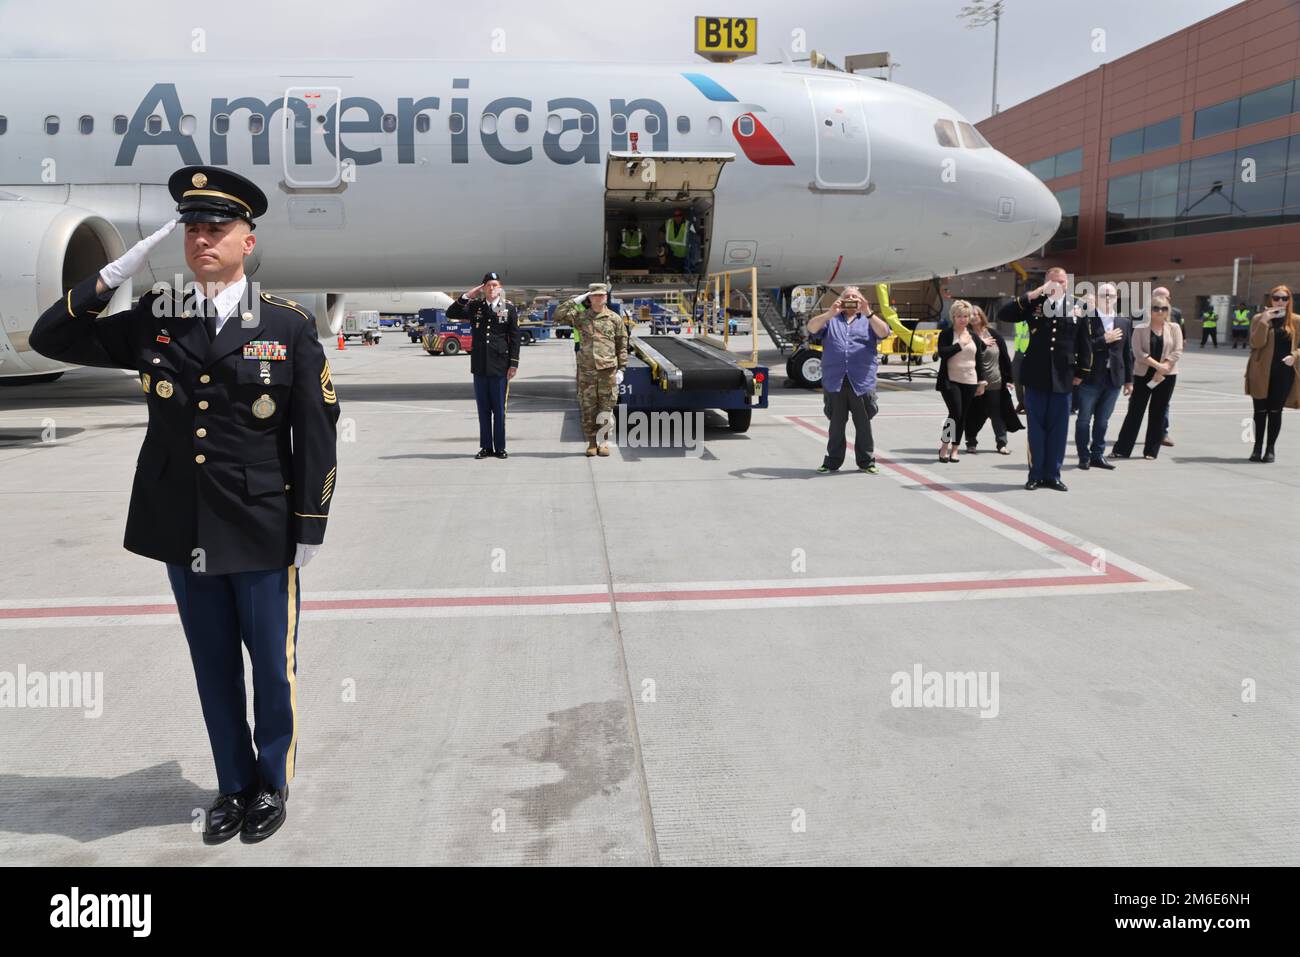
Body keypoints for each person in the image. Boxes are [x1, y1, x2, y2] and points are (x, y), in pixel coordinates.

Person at [29, 166, 340, 845]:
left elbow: (315, 428)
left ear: (247, 241)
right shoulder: (154, 320)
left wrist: (310, 523)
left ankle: (272, 783)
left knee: (271, 666)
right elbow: (50, 338)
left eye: (217, 227)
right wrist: (113, 274)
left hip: (262, 527)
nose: (202, 237)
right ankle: (232, 785)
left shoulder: (285, 327)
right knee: (212, 664)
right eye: (193, 227)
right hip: (184, 525)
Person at [998, 267, 1092, 490]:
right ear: (1046, 283)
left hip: (1063, 377)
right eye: (1054, 281)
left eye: (1062, 281)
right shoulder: (1034, 303)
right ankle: (1035, 474)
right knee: (1036, 429)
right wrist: (1031, 294)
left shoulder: (1079, 307)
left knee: (1058, 430)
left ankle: (1053, 475)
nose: (1059, 285)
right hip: (1036, 375)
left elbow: (1085, 344)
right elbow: (1004, 315)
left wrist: (1082, 373)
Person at [805, 286, 889, 473]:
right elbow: (811, 327)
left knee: (863, 424)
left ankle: (867, 462)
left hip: (861, 380)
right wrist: (829, 313)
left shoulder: (868, 320)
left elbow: (884, 333)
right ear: (841, 300)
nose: (850, 299)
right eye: (847, 296)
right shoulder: (832, 320)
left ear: (861, 300)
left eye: (854, 296)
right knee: (835, 425)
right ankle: (832, 461)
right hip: (835, 380)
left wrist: (868, 312)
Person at [448, 272, 520, 459]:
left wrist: (513, 363)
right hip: (480, 365)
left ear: (500, 287)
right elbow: (451, 313)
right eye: (488, 285)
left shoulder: (508, 308)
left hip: (499, 366)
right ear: (483, 288)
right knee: (483, 409)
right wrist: (468, 295)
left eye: (495, 285)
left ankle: (500, 448)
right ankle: (486, 447)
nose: (492, 288)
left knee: (499, 409)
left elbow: (515, 338)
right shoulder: (475, 307)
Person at [1112, 294, 1183, 460]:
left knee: (1158, 412)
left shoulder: (1174, 328)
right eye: (1156, 308)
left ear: (1168, 311)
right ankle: (1122, 449)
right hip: (1144, 374)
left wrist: (1164, 367)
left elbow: (1177, 350)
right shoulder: (1140, 328)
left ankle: (1151, 451)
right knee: (1135, 412)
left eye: (1163, 308)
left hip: (1167, 375)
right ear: (1150, 311)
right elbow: (1138, 353)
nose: (1160, 311)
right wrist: (1158, 366)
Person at [1074, 282, 1133, 470]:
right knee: (1084, 419)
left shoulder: (1123, 321)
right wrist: (1104, 340)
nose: (1107, 298)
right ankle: (1084, 456)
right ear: (1097, 298)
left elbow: (1127, 352)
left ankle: (1097, 455)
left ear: (1116, 298)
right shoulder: (1087, 319)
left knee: (1103, 420)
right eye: (1103, 295)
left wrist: (1129, 380)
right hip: (1090, 378)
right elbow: (1082, 347)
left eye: (1111, 295)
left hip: (1113, 379)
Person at [1244, 285, 1300, 463]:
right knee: (1259, 411)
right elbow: (1256, 343)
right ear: (1271, 299)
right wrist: (1264, 321)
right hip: (1260, 371)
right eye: (1277, 298)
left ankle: (1270, 449)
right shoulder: (1259, 318)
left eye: (1284, 298)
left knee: (1275, 411)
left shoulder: (1296, 321)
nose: (1280, 301)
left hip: (1283, 372)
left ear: (1290, 300)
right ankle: (1256, 448)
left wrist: (1295, 356)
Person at [571, 283, 628, 456]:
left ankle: (603, 442)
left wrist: (622, 369)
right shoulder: (581, 317)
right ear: (589, 298)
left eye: (602, 295)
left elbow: (622, 345)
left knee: (606, 409)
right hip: (586, 372)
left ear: (606, 297)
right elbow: (558, 315)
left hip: (607, 372)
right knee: (588, 408)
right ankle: (591, 442)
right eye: (595, 295)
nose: (599, 298)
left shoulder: (614, 318)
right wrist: (575, 301)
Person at [963, 305, 1021, 455]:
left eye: (977, 313)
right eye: (971, 314)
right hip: (973, 383)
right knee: (975, 414)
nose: (974, 316)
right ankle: (971, 442)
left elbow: (1004, 358)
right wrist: (981, 344)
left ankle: (1001, 443)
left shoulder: (994, 335)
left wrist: (1009, 379)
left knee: (997, 414)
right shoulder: (966, 335)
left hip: (995, 382)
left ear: (982, 316)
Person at [935, 300, 987, 463]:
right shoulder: (946, 334)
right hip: (950, 380)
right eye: (959, 316)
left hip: (970, 381)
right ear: (953, 317)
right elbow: (943, 353)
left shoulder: (973, 336)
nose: (963, 319)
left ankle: (955, 449)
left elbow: (979, 359)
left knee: (962, 415)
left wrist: (982, 381)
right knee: (955, 413)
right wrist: (960, 344)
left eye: (966, 316)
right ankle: (944, 445)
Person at [1152, 286, 1181, 447]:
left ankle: (1162, 433)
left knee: (1164, 403)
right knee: (1137, 403)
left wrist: (1167, 364)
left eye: (1166, 298)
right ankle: (1132, 433)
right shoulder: (1140, 314)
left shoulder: (1176, 314)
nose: (1163, 302)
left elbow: (1180, 341)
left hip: (1166, 368)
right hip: (1145, 366)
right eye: (1158, 297)